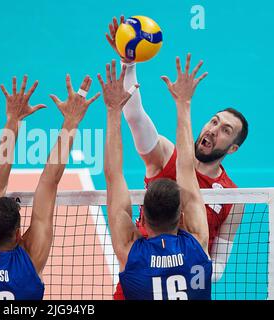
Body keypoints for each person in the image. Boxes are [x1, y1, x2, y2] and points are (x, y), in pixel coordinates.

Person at [106, 16, 248, 298]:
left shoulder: (233, 198)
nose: (213, 129)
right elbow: (134, 117)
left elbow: (217, 267)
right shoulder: (165, 155)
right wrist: (128, 64)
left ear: (232, 148)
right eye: (214, 121)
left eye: (225, 130)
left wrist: (172, 254)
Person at [0, 74, 100, 300]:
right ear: (19, 234)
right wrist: (71, 121)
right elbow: (49, 182)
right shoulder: (30, 261)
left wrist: (13, 119)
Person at [100, 55, 212, 300]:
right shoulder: (198, 243)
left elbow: (113, 176)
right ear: (181, 214)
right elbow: (185, 167)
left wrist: (112, 111)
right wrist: (184, 103)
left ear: (143, 222)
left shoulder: (131, 253)